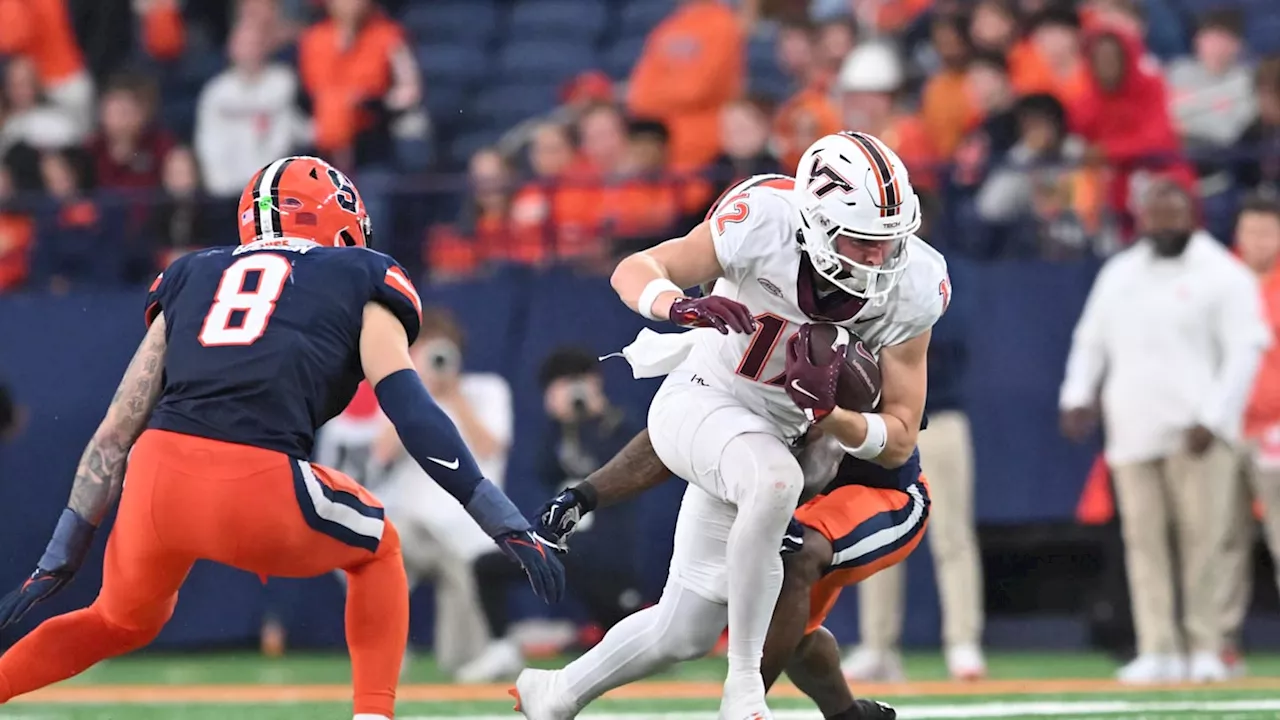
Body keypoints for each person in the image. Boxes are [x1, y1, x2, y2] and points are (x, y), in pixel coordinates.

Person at [0, 155, 564, 719]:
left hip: (157, 480)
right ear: (335, 214)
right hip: (256, 479)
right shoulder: (360, 273)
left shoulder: (191, 273)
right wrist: (498, 515)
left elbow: (115, 433)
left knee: (117, 619)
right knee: (379, 548)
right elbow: (411, 409)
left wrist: (61, 555)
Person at [511, 131, 947, 720]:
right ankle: (743, 689)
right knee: (774, 483)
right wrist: (677, 305)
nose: (879, 259)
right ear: (816, 223)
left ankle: (555, 693)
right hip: (702, 399)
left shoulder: (913, 283)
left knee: (684, 629)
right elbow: (639, 267)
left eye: (888, 242)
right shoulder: (763, 218)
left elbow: (898, 442)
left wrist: (831, 415)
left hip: (772, 435)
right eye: (862, 241)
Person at [535, 425, 927, 720]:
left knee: (789, 570)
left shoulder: (844, 339)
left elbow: (835, 445)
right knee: (723, 627)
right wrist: (581, 496)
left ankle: (746, 705)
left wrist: (775, 505)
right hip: (766, 481)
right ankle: (845, 715)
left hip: (859, 487)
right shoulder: (730, 346)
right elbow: (675, 428)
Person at [1059, 179, 1269, 684]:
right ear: (1142, 220)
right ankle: (1158, 648)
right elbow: (1091, 340)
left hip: (1197, 433)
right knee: (1143, 543)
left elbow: (1247, 350)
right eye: (1155, 217)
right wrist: (1076, 395)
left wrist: (1216, 419)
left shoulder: (1223, 274)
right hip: (1132, 430)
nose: (1163, 226)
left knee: (1204, 542)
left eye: (1173, 217)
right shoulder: (1121, 273)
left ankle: (1205, 647)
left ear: (1192, 216)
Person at [1214, 194, 1280, 676]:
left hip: (1276, 428)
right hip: (1223, 427)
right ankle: (1218, 644)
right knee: (1220, 539)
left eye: (1267, 232)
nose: (1258, 241)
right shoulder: (1217, 280)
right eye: (1251, 230)